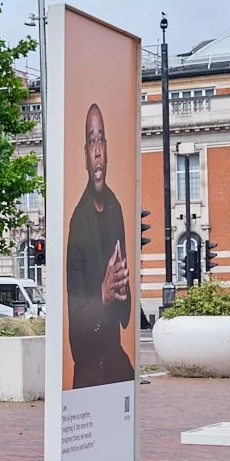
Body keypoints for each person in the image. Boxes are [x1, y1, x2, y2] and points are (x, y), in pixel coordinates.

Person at [65, 102, 134, 386]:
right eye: (92, 142)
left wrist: (121, 288)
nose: (97, 151)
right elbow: (75, 332)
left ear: (107, 153)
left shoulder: (116, 207)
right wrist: (103, 294)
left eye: (101, 141)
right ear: (86, 156)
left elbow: (125, 316)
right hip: (89, 367)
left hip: (114, 361)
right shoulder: (78, 223)